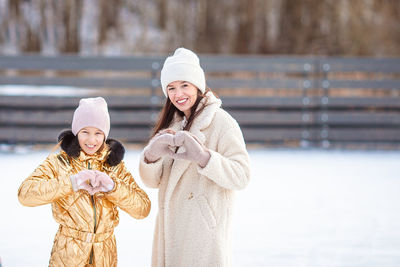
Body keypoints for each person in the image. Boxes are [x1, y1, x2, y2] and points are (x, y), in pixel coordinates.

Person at [139, 47, 250, 267]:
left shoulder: (221, 122)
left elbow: (242, 175)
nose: (178, 94)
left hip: (203, 237)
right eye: (171, 88)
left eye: (184, 85)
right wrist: (152, 155)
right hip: (170, 232)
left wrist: (204, 157)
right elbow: (152, 181)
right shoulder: (172, 125)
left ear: (197, 85)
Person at [18, 97, 151, 267]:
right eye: (85, 132)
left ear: (105, 135)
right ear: (76, 132)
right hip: (68, 254)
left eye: (98, 133)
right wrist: (72, 182)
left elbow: (143, 209)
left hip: (105, 255)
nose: (91, 140)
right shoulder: (60, 162)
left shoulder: (114, 166)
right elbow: (25, 194)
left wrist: (112, 187)